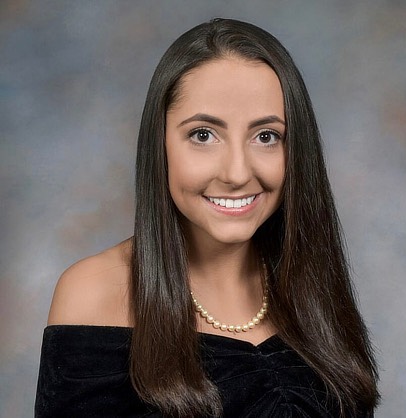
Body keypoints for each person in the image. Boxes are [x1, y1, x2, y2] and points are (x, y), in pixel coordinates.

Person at [35, 18, 379, 417]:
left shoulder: (312, 288)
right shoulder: (94, 291)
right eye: (203, 135)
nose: (237, 173)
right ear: (160, 144)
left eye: (266, 136)